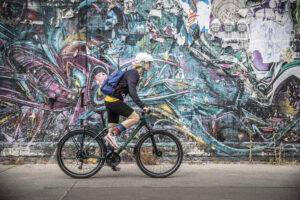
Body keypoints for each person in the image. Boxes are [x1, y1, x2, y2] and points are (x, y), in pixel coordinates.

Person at [104, 52, 152, 153]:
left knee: (111, 130)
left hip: (109, 100)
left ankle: (107, 157)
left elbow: (130, 92)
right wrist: (142, 106)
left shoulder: (131, 72)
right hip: (114, 101)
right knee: (135, 118)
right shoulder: (134, 73)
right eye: (148, 63)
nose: (150, 65)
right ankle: (114, 135)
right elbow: (132, 91)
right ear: (142, 63)